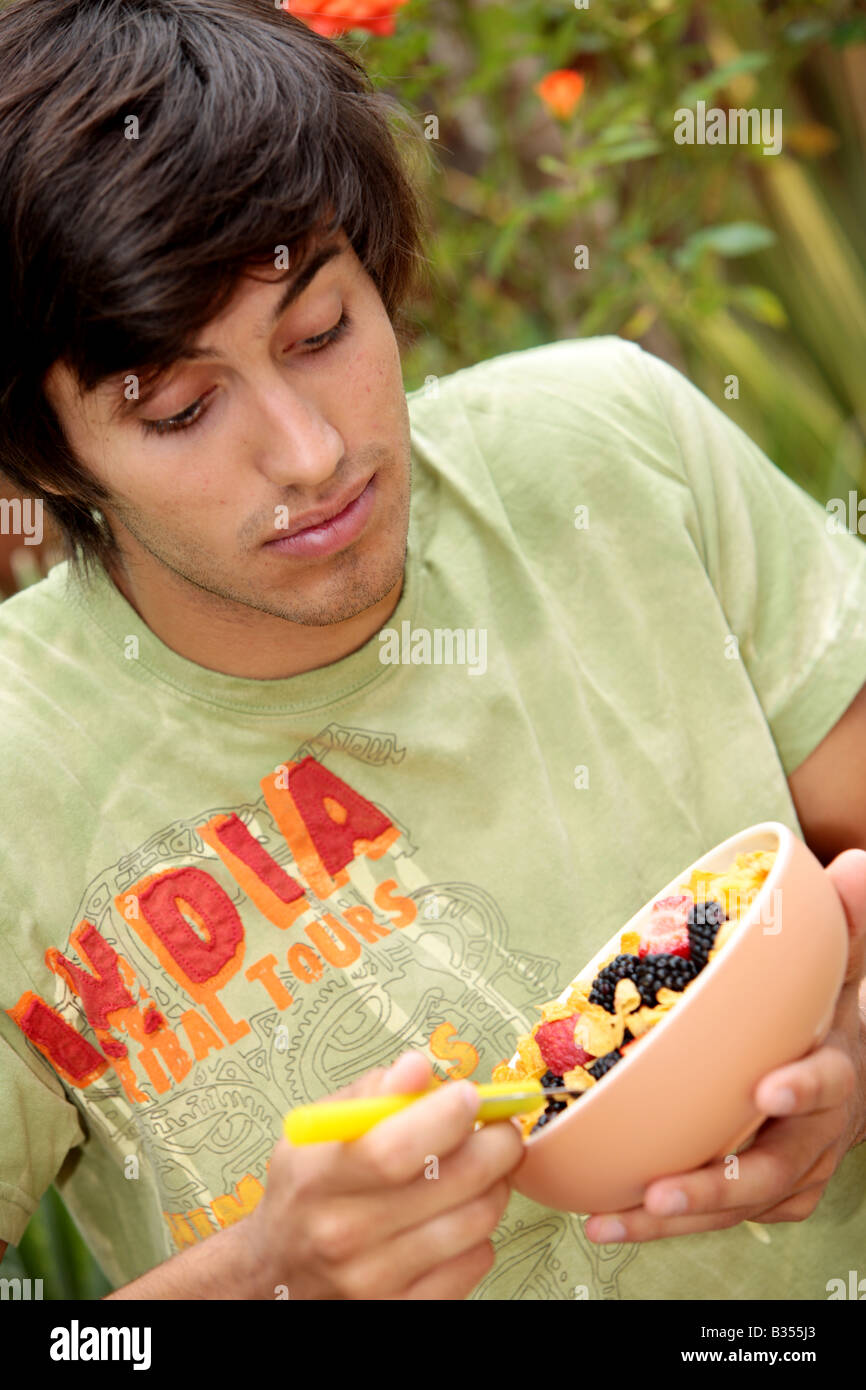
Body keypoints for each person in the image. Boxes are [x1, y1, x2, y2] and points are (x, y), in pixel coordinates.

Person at [0, 0, 864, 1302]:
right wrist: (264, 1281)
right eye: (179, 408)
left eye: (321, 333)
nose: (309, 453)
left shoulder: (608, 450)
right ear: (47, 453)